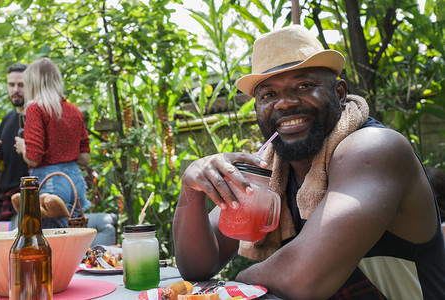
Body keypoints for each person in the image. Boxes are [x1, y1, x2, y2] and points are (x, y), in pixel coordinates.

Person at [172, 25, 445, 299]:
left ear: (339, 93)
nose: (285, 103)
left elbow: (301, 277)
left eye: (303, 86)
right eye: (268, 95)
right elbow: (198, 267)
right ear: (257, 109)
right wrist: (192, 188)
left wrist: (238, 285)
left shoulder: (373, 148)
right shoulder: (270, 168)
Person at [14, 57, 91, 228]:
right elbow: (84, 157)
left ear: (33, 83)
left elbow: (34, 158)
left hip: (50, 181)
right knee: (76, 235)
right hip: (75, 180)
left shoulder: (36, 108)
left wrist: (23, 146)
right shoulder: (74, 110)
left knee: (52, 240)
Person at [0, 63, 30, 221]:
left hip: (26, 199)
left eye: (21, 85)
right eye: (11, 85)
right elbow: (1, 168)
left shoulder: (36, 118)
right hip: (3, 201)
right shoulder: (7, 119)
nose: (16, 90)